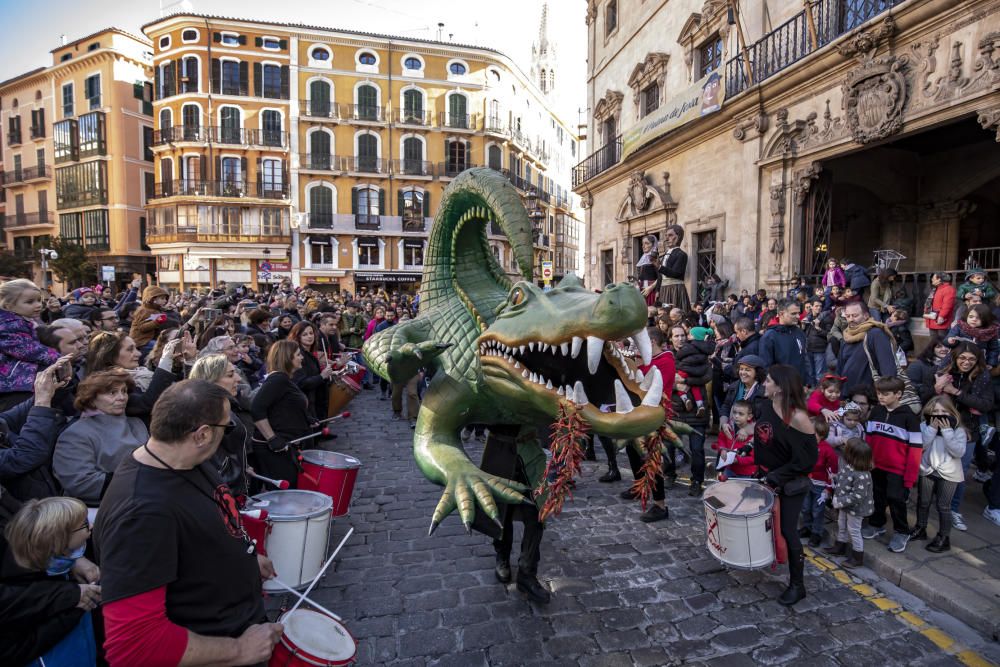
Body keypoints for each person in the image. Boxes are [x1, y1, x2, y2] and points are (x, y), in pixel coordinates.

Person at [94, 380, 281, 666]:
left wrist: (244, 559)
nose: (229, 433)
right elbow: (134, 646)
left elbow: (200, 531)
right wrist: (240, 650)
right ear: (202, 434)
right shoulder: (141, 513)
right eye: (227, 426)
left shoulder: (188, 459)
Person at [2, 494, 101, 667]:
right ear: (58, 543)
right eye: (85, 524)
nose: (91, 526)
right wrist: (75, 607)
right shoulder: (27, 589)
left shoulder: (53, 567)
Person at [752, 364, 818, 606]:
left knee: (788, 531)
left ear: (780, 387)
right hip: (767, 477)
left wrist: (777, 476)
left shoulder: (799, 418)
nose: (764, 384)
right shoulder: (766, 406)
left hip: (789, 482)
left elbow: (808, 460)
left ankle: (797, 585)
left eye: (768, 381)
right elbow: (763, 437)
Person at [53, 370, 150, 506]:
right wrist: (137, 480)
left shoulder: (137, 424)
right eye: (112, 392)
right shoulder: (75, 434)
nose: (122, 397)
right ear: (92, 399)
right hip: (99, 508)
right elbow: (80, 482)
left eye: (124, 391)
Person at [934, 342, 993, 531]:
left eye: (971, 359)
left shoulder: (983, 378)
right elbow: (927, 396)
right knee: (934, 467)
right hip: (939, 426)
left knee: (960, 471)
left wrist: (955, 392)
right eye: (962, 358)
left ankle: (953, 509)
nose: (966, 362)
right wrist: (938, 387)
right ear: (955, 358)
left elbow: (985, 405)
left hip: (967, 431)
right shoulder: (943, 372)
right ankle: (932, 503)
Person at [617, 328, 675, 521]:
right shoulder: (650, 360)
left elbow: (647, 385)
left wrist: (637, 364)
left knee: (652, 459)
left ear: (650, 342)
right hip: (638, 413)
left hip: (654, 416)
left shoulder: (666, 360)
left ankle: (660, 505)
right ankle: (639, 486)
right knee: (633, 451)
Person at [861, 376, 923, 553]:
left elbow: (915, 450)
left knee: (896, 500)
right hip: (876, 466)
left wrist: (910, 477)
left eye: (885, 394)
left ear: (898, 394)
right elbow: (869, 438)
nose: (880, 397)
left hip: (898, 470)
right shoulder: (876, 412)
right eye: (879, 393)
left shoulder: (910, 418)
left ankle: (901, 531)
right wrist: (868, 460)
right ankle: (876, 523)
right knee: (876, 496)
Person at [190, 354, 253, 497]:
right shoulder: (206, 413)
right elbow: (212, 461)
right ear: (210, 380)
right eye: (230, 375)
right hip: (224, 493)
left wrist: (242, 466)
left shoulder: (222, 405)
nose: (238, 379)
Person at [251, 341, 313, 486]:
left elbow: (283, 406)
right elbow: (257, 408)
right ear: (287, 358)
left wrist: (307, 418)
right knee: (284, 493)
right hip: (274, 450)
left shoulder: (284, 379)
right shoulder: (277, 379)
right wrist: (272, 438)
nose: (301, 358)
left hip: (285, 446)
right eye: (298, 355)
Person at [910, 396, 966, 553]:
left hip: (948, 473)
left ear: (951, 413)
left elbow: (958, 452)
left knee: (943, 506)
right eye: (935, 411)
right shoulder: (924, 426)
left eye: (944, 411)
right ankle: (920, 528)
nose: (940, 415)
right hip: (928, 469)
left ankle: (944, 537)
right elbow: (921, 445)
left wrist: (947, 431)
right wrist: (932, 429)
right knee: (923, 501)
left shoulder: (958, 430)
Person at [0, 279, 61, 411]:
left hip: (16, 382)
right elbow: (26, 349)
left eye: (39, 300)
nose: (38, 305)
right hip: (11, 385)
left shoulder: (22, 320)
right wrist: (57, 357)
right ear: (8, 306)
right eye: (29, 302)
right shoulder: (10, 323)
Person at [825, 438, 874, 568]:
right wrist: (835, 476)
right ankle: (840, 545)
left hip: (855, 508)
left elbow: (858, 496)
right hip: (844, 505)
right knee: (842, 524)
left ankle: (858, 557)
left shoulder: (862, 475)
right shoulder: (850, 466)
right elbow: (844, 478)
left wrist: (839, 502)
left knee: (854, 531)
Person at [836, 302, 897, 396]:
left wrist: (886, 394)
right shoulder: (847, 335)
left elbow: (887, 367)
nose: (851, 319)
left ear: (866, 316)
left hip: (867, 397)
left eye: (855, 315)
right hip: (846, 394)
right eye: (848, 316)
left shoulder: (875, 334)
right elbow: (840, 367)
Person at [800, 419, 838, 547]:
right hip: (806, 482)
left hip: (820, 486)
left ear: (822, 435)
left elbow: (832, 473)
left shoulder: (828, 451)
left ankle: (816, 533)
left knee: (817, 511)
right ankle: (807, 528)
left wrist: (828, 490)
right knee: (805, 507)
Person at [759, 300, 812, 385]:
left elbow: (804, 359)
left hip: (800, 387)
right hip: (781, 388)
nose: (798, 316)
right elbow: (766, 367)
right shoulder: (770, 336)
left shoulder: (800, 333)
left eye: (798, 313)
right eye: (793, 313)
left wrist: (808, 382)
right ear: (781, 314)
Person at [289, 321, 334, 420]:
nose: (309, 337)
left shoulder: (309, 353)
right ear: (297, 337)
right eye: (304, 334)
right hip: (307, 402)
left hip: (316, 400)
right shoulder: (298, 356)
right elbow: (302, 383)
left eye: (311, 333)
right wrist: (322, 376)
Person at [719, 354, 767, 435]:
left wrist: (748, 430)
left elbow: (765, 418)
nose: (743, 372)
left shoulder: (763, 392)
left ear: (757, 372)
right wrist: (724, 422)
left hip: (753, 436)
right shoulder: (734, 387)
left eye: (747, 370)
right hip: (732, 431)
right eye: (741, 369)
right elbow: (726, 406)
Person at [712, 400, 756, 481]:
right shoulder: (728, 427)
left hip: (746, 473)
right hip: (729, 469)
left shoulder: (752, 434)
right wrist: (722, 449)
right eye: (734, 412)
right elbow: (720, 441)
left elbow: (754, 458)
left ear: (749, 416)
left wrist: (738, 460)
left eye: (741, 414)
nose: (736, 416)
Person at [657, 225, 690, 312]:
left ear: (678, 237)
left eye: (670, 235)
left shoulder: (682, 254)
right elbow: (660, 275)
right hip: (664, 289)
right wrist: (657, 290)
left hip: (675, 289)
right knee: (663, 314)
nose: (667, 238)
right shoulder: (665, 254)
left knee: (674, 312)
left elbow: (676, 273)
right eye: (666, 236)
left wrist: (659, 267)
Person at [923, 273, 957, 343]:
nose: (932, 279)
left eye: (934, 278)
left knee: (942, 342)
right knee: (933, 342)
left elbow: (947, 305)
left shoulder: (949, 289)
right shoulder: (936, 289)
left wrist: (941, 316)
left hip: (941, 320)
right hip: (932, 318)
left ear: (940, 279)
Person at [635, 234, 661, 309]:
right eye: (643, 244)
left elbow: (660, 275)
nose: (643, 246)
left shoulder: (655, 257)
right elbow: (641, 276)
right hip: (642, 288)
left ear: (653, 245)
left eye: (646, 243)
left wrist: (651, 287)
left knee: (650, 310)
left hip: (651, 289)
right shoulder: (643, 258)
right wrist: (637, 285)